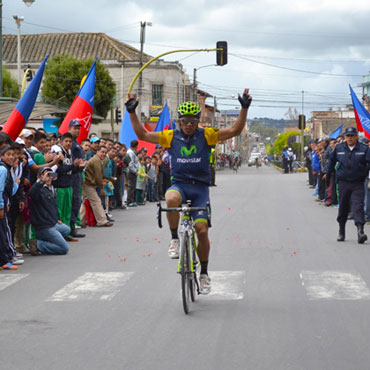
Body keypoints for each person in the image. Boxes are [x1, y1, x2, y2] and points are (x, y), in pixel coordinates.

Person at [126, 88, 252, 294]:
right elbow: (142, 134)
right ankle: (175, 238)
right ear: (179, 121)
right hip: (181, 184)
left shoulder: (208, 135)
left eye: (193, 120)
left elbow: (234, 131)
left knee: (202, 231)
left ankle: (204, 273)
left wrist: (244, 108)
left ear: (198, 120)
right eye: (185, 121)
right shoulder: (170, 136)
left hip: (200, 189)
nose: (189, 125)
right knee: (171, 197)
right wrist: (131, 112)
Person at [325, 127, 370, 243]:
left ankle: (360, 231)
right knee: (343, 207)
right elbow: (331, 162)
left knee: (358, 206)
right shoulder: (339, 148)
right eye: (348, 136)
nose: (350, 138)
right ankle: (341, 231)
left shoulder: (364, 149)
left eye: (352, 135)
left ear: (356, 137)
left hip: (358, 183)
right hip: (343, 182)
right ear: (344, 137)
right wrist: (328, 176)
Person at [28, 167, 70, 255]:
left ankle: (48, 240)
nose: (49, 177)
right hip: (44, 226)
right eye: (47, 174)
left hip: (52, 223)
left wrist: (55, 219)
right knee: (64, 248)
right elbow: (31, 193)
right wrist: (42, 180)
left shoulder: (50, 189)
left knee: (66, 229)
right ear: (40, 176)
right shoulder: (38, 189)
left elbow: (51, 208)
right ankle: (37, 244)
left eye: (51, 174)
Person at [80, 146, 113, 227]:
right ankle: (102, 221)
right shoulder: (96, 160)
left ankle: (80, 221)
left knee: (85, 203)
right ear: (97, 152)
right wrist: (101, 187)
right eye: (102, 152)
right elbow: (98, 176)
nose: (104, 154)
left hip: (88, 183)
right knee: (96, 201)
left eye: (105, 152)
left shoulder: (97, 160)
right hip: (88, 184)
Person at [126, 140, 139, 207]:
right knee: (131, 186)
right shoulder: (130, 153)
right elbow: (131, 164)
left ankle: (132, 200)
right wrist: (135, 171)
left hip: (133, 171)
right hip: (131, 172)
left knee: (133, 186)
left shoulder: (133, 152)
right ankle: (129, 201)